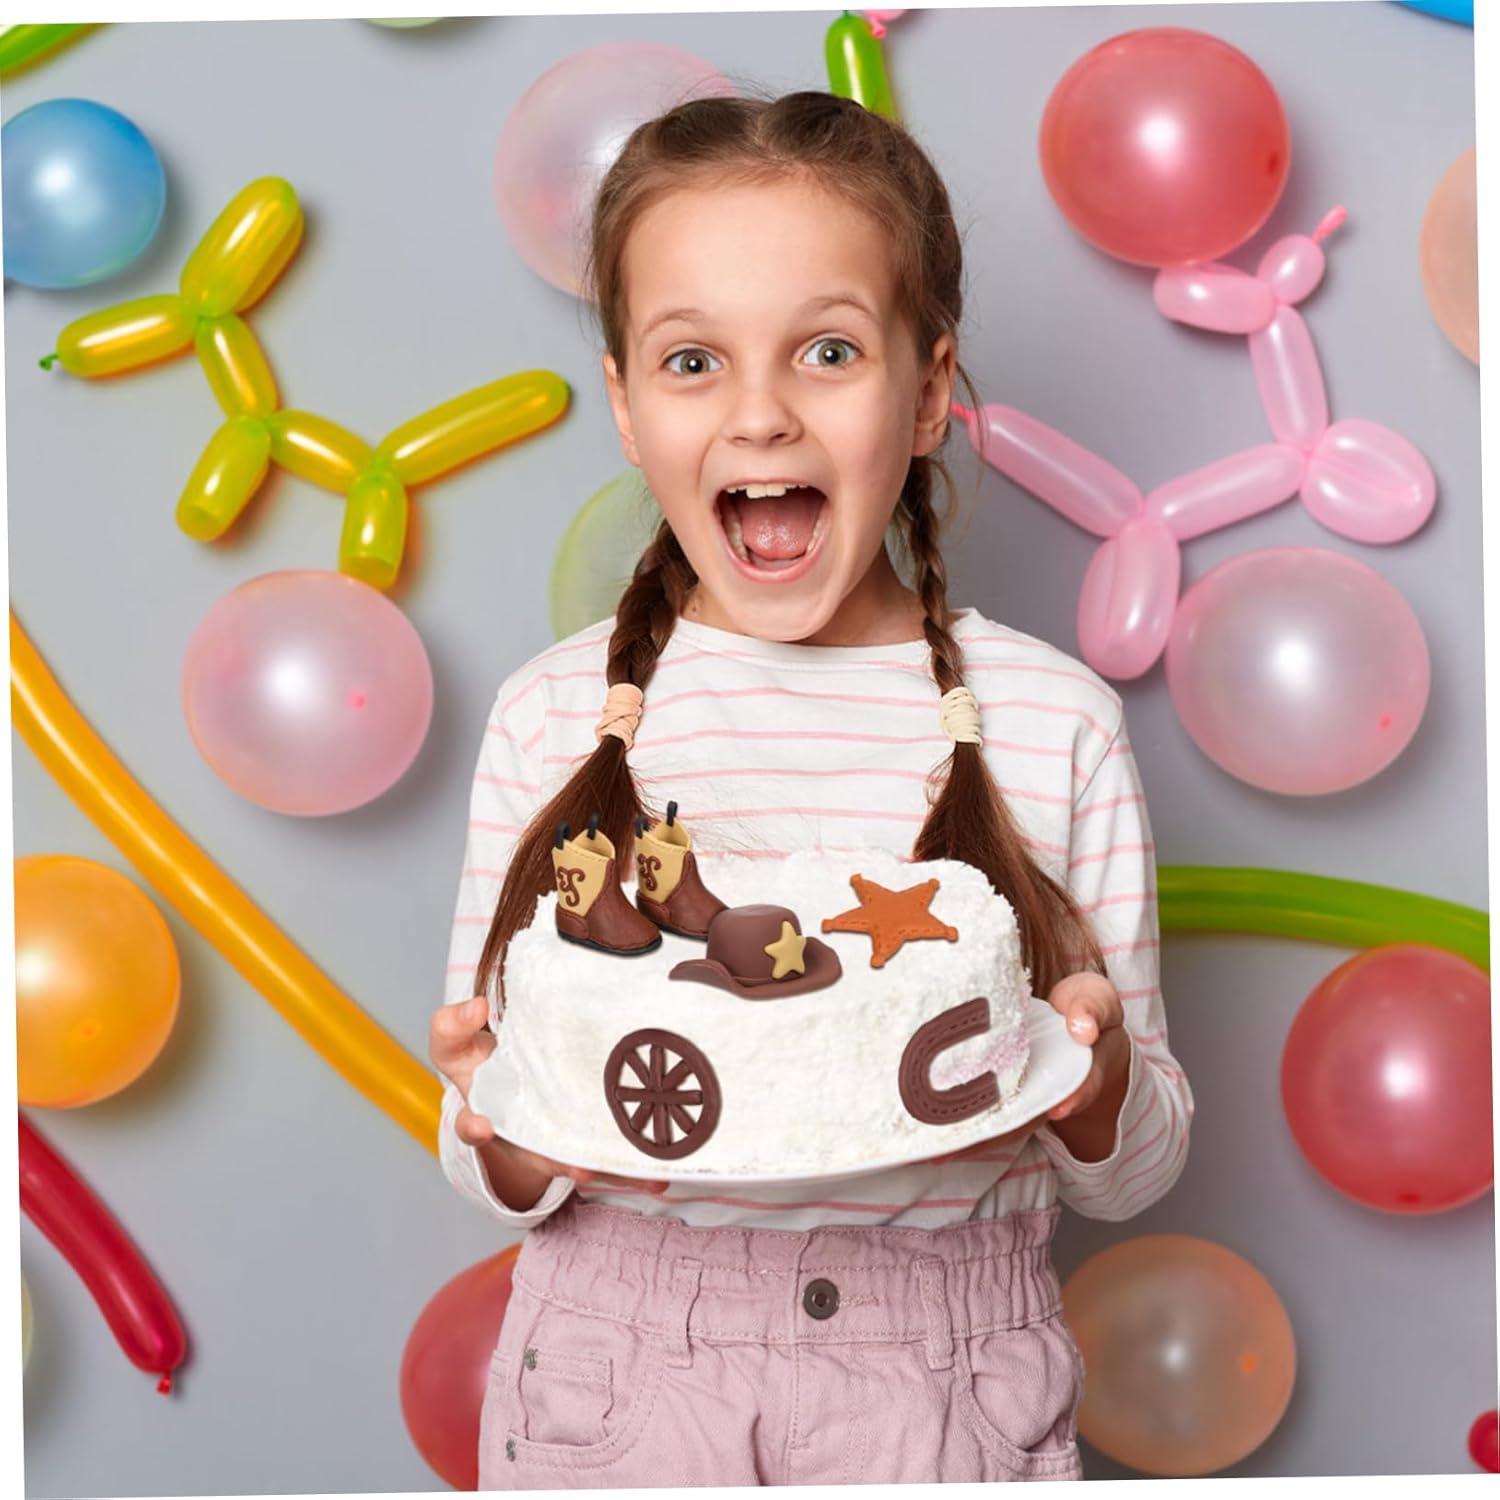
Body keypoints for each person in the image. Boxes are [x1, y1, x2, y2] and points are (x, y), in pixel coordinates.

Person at [429, 90, 1192, 1488]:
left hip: (946, 1385)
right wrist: (497, 1118)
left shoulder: (1052, 725)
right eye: (693, 360)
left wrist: (1095, 1078)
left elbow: (1135, 1170)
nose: (762, 414)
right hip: (619, 1374)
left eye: (828, 351)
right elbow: (493, 1168)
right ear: (625, 404)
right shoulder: (553, 717)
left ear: (929, 390)